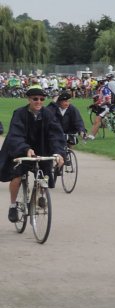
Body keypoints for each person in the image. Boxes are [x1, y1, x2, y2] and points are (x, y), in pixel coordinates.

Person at [0, 88, 66, 223]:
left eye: (42, 99)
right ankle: (13, 205)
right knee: (17, 176)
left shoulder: (48, 114)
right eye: (35, 99)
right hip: (21, 150)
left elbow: (56, 134)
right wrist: (25, 149)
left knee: (44, 175)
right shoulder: (19, 113)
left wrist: (59, 152)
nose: (39, 101)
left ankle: (41, 193)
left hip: (41, 149)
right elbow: (15, 134)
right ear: (29, 99)